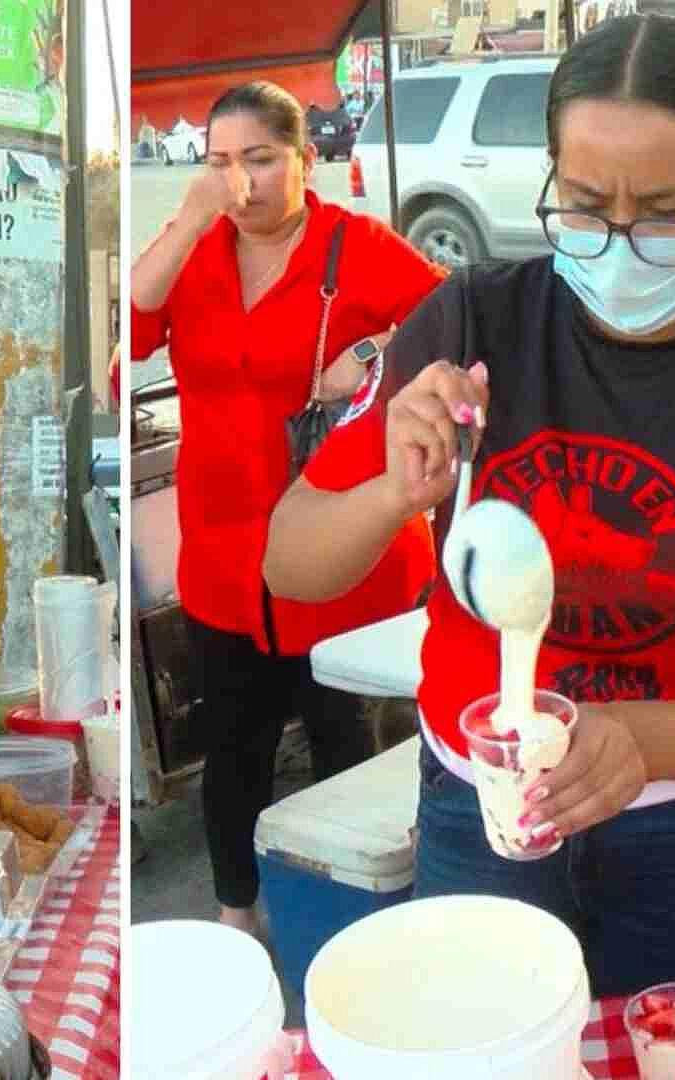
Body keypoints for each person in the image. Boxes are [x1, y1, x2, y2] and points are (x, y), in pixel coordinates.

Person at [264, 13, 675, 997]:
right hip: (481, 813)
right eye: (583, 206)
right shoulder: (466, 325)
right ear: (547, 176)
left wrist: (639, 742)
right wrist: (392, 491)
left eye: (664, 214)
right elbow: (292, 562)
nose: (618, 243)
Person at [130, 80, 446, 938]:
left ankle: (362, 916)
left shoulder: (358, 247)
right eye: (220, 163)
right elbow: (130, 325)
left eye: (261, 160)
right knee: (235, 746)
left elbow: (454, 326)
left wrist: (372, 353)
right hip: (225, 558)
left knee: (346, 742)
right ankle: (239, 915)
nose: (242, 182)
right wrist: (192, 217)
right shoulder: (193, 251)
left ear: (306, 160)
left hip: (345, 552)